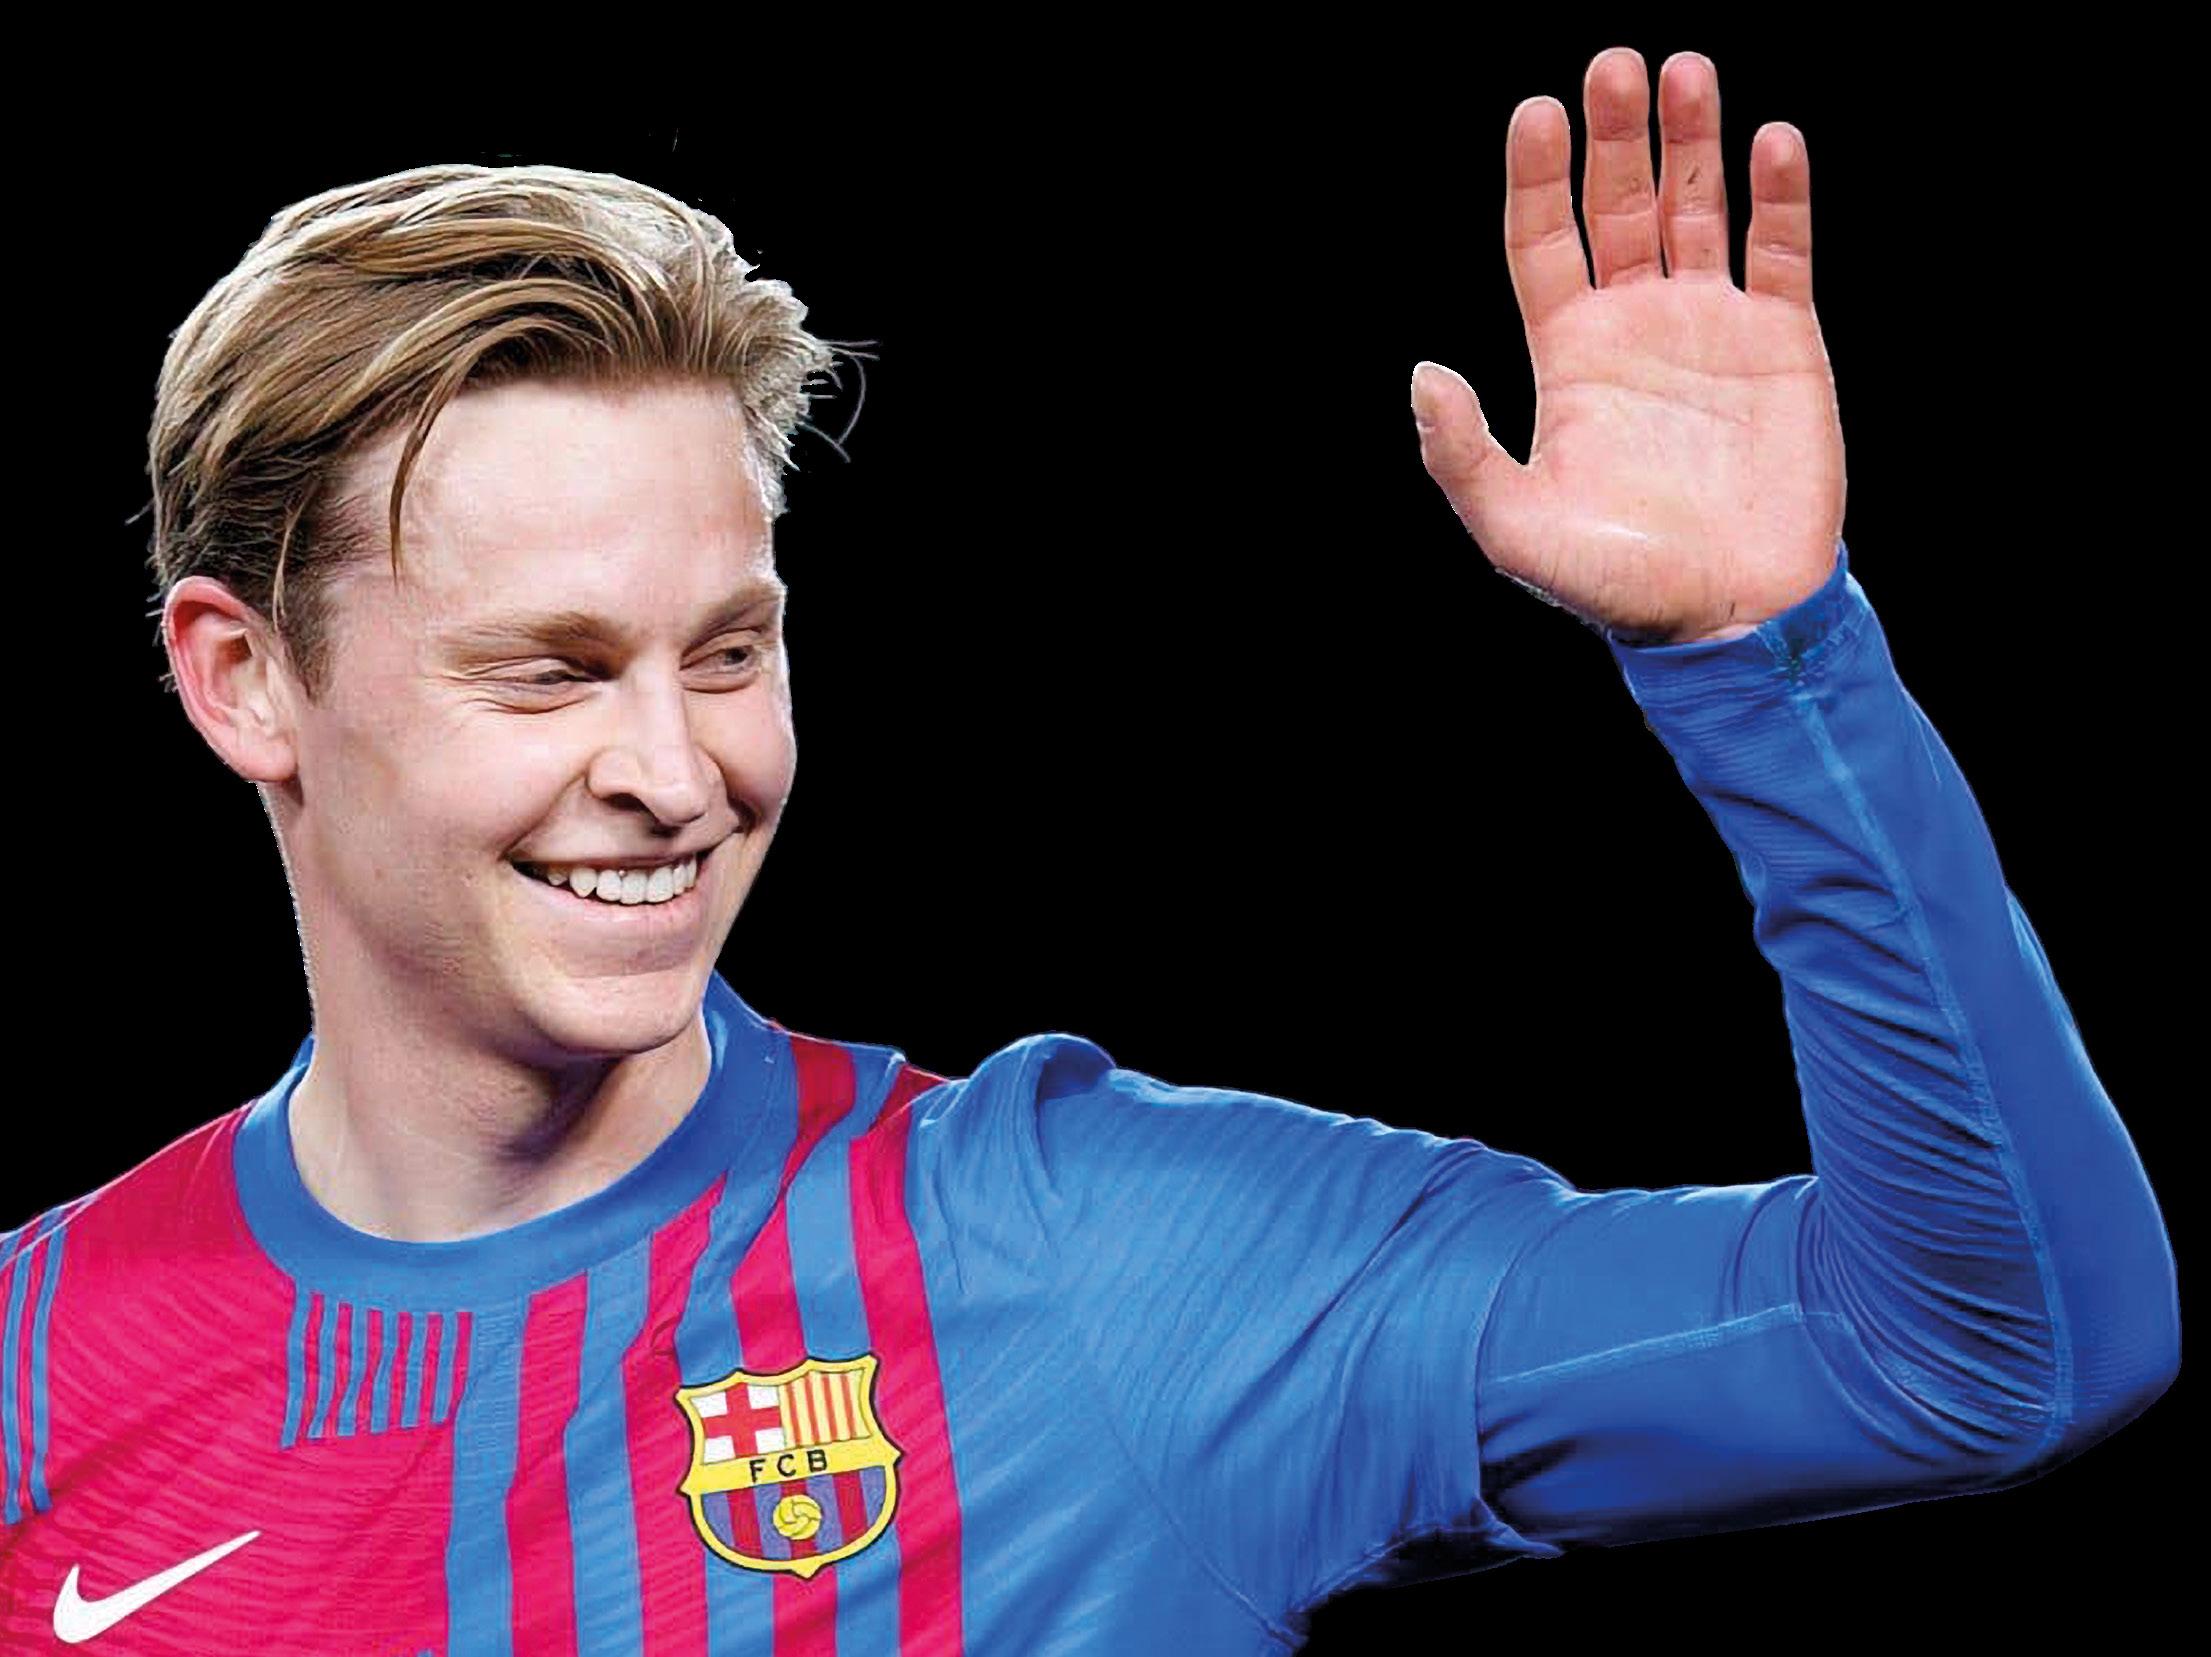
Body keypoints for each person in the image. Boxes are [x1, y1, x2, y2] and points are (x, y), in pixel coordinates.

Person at [0, 45, 2178, 1654]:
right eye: (551, 672)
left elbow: (1987, 1354)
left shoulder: (1097, 1263)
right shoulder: (33, 1363)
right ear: (241, 680)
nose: (674, 770)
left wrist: (1762, 665)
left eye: (730, 651)